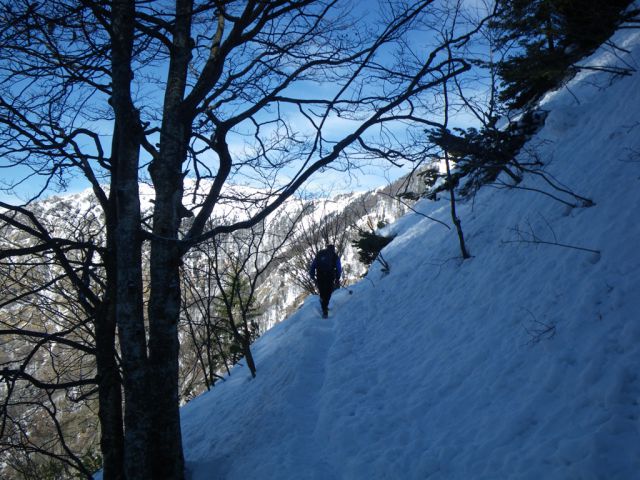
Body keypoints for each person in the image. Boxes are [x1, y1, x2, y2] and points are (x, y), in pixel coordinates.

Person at [309, 244, 342, 318]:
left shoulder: (320, 253)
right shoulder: (334, 255)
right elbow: (339, 267)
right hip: (329, 276)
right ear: (333, 249)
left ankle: (323, 304)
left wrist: (312, 274)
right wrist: (337, 277)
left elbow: (313, 264)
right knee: (328, 291)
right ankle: (325, 309)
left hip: (320, 275)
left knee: (322, 291)